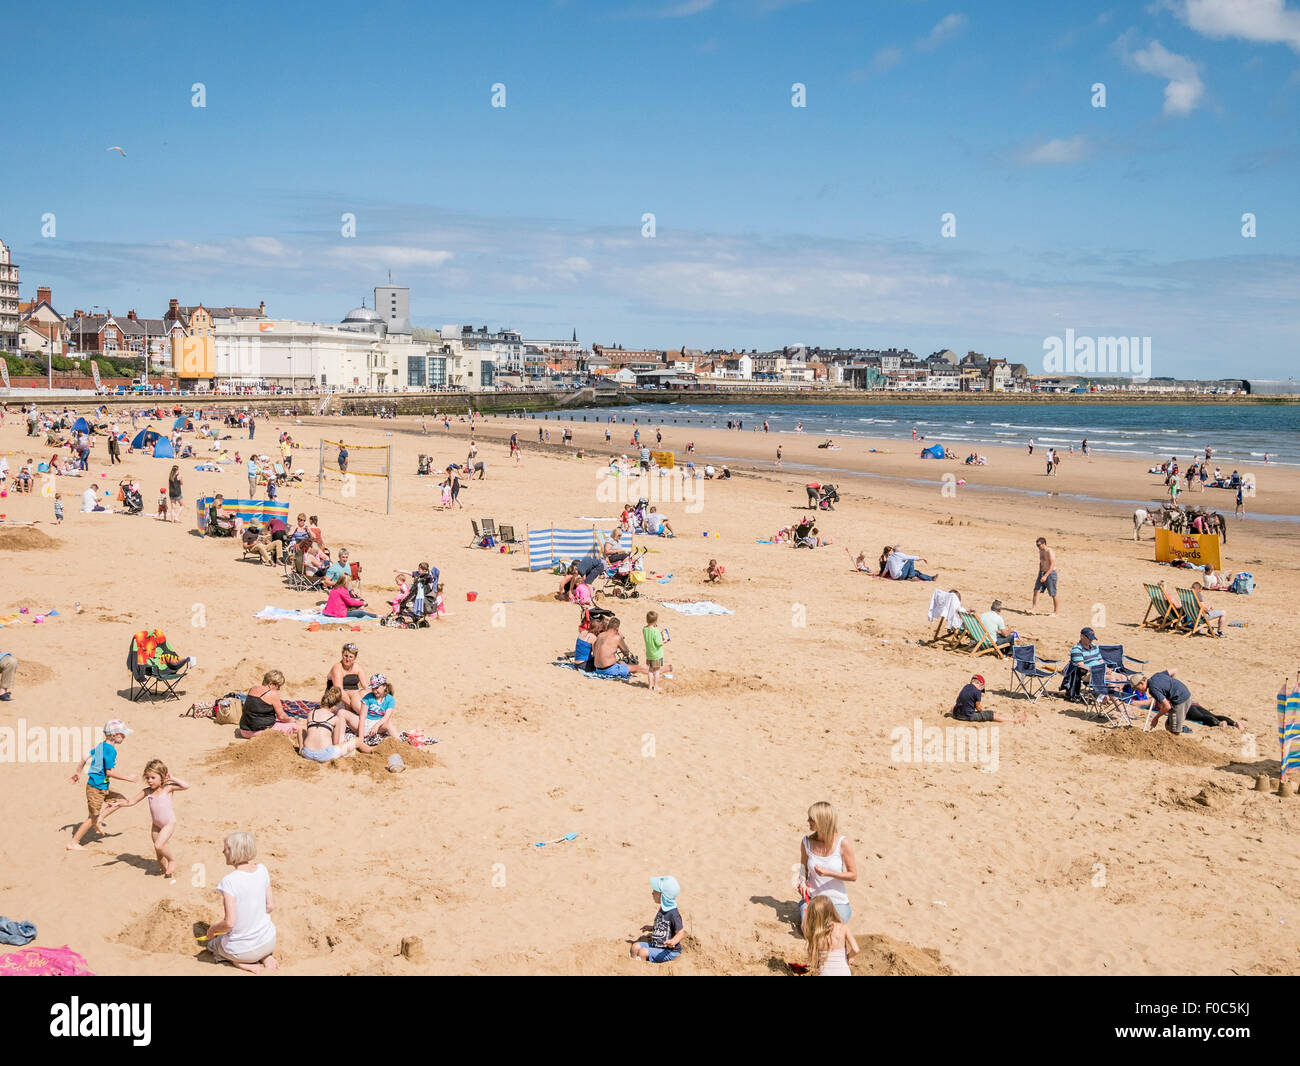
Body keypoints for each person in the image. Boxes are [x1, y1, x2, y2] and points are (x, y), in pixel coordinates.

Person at [97, 759, 190, 878]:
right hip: (156, 825)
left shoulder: (168, 788)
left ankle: (172, 860)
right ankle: (162, 868)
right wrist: (118, 803)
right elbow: (131, 801)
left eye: (153, 777)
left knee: (159, 845)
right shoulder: (147, 791)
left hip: (168, 823)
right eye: (147, 778)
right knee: (158, 851)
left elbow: (186, 786)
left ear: (162, 777)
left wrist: (172, 778)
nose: (149, 781)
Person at [202, 832, 279, 973]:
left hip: (244, 951)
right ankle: (266, 957)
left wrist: (213, 929)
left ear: (233, 852)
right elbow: (270, 906)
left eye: (226, 848)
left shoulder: (229, 881)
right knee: (251, 938)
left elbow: (229, 923)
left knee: (213, 946)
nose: (223, 851)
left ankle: (241, 964)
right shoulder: (262, 869)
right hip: (269, 941)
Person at [67, 720, 137, 850]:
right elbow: (109, 772)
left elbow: (85, 757)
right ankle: (73, 843)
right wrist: (128, 778)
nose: (124, 737)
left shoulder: (102, 745)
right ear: (114, 735)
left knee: (121, 800)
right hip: (96, 789)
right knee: (91, 818)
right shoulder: (110, 750)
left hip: (102, 787)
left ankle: (100, 818)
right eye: (122, 734)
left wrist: (78, 772)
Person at [797, 801, 857, 923]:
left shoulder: (843, 843)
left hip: (837, 901)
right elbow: (803, 868)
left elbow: (853, 875)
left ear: (822, 821)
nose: (808, 821)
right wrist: (803, 882)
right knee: (809, 930)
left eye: (811, 818)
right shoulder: (806, 842)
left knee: (832, 930)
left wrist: (829, 873)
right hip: (813, 900)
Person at [299, 686, 373, 762]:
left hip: (307, 753)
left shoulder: (311, 713)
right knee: (357, 741)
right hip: (324, 755)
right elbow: (336, 743)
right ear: (334, 707)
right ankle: (373, 751)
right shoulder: (334, 718)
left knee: (301, 730)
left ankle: (301, 750)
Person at [629, 876, 685, 963]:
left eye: (655, 892)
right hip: (657, 945)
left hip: (669, 951)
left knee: (642, 952)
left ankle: (642, 970)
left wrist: (673, 941)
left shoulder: (674, 914)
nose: (652, 893)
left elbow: (680, 932)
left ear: (663, 896)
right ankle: (632, 965)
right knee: (635, 946)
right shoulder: (663, 908)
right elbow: (663, 926)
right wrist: (652, 927)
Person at [803, 894, 859, 976]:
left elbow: (815, 960)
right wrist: (849, 957)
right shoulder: (843, 927)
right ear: (831, 909)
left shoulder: (815, 933)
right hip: (844, 973)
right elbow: (856, 949)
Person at [590, 616, 655, 681]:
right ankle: (657, 673)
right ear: (617, 629)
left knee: (621, 662)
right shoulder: (617, 638)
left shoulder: (600, 635)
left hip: (598, 669)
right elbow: (626, 653)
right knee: (638, 668)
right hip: (609, 670)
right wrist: (621, 639)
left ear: (608, 626)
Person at [239, 670, 296, 735]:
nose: (279, 689)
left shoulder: (253, 688)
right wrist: (291, 720)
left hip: (243, 730)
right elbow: (281, 716)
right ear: (271, 684)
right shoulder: (272, 693)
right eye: (278, 686)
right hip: (258, 732)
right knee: (297, 727)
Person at [1135, 671, 1192, 735]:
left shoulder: (1152, 689)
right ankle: (1179, 726)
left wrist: (1156, 718)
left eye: (1137, 688)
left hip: (1181, 700)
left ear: (1141, 683)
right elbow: (1171, 673)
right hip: (1184, 693)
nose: (1138, 690)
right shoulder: (1156, 675)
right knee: (1168, 725)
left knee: (1174, 731)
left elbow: (1167, 707)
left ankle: (1178, 735)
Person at [953, 674, 1026, 723]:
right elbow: (978, 707)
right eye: (982, 689)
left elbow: (959, 699)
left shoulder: (966, 686)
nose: (981, 691)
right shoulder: (977, 691)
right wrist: (981, 710)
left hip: (956, 713)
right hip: (966, 716)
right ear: (981, 685)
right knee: (991, 714)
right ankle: (1015, 720)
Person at [355, 675, 399, 740]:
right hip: (366, 722)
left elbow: (386, 717)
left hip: (378, 723)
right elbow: (362, 717)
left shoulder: (390, 699)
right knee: (343, 713)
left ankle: (399, 743)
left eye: (377, 688)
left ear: (384, 686)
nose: (375, 691)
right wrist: (361, 737)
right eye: (373, 688)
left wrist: (376, 726)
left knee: (389, 724)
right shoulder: (368, 698)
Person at [1031, 537, 1058, 616]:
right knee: (1036, 590)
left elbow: (1052, 565)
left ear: (1044, 544)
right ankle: (1034, 609)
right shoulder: (1041, 551)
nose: (1038, 547)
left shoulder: (1049, 551)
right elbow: (1041, 562)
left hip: (1050, 574)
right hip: (1042, 573)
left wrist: (1046, 576)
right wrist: (1040, 573)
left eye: (1039, 545)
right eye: (1036, 545)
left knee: (1053, 593)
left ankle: (1056, 612)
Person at [643, 611, 668, 692]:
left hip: (649, 654)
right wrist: (665, 640)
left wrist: (653, 625)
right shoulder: (656, 631)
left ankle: (650, 686)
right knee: (656, 670)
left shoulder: (645, 629)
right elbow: (659, 643)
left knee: (650, 670)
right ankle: (656, 686)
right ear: (655, 621)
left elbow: (649, 631)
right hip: (656, 655)